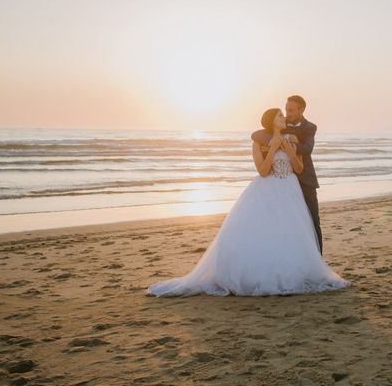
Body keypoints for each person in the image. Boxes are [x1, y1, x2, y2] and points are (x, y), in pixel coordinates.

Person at [146, 108, 350, 297]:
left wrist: (288, 151)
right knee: (263, 231)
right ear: (271, 121)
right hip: (267, 189)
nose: (284, 118)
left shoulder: (293, 138)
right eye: (279, 115)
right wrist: (273, 148)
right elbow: (262, 170)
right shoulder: (259, 142)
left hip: (289, 189)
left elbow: (298, 168)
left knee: (289, 232)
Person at [251, 95, 322, 254]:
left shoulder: (309, 128)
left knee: (312, 223)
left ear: (301, 110)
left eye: (290, 110)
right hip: (280, 185)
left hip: (304, 180)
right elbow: (258, 134)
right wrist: (272, 146)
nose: (287, 114)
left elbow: (307, 149)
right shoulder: (283, 127)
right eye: (285, 110)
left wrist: (289, 147)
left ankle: (317, 259)